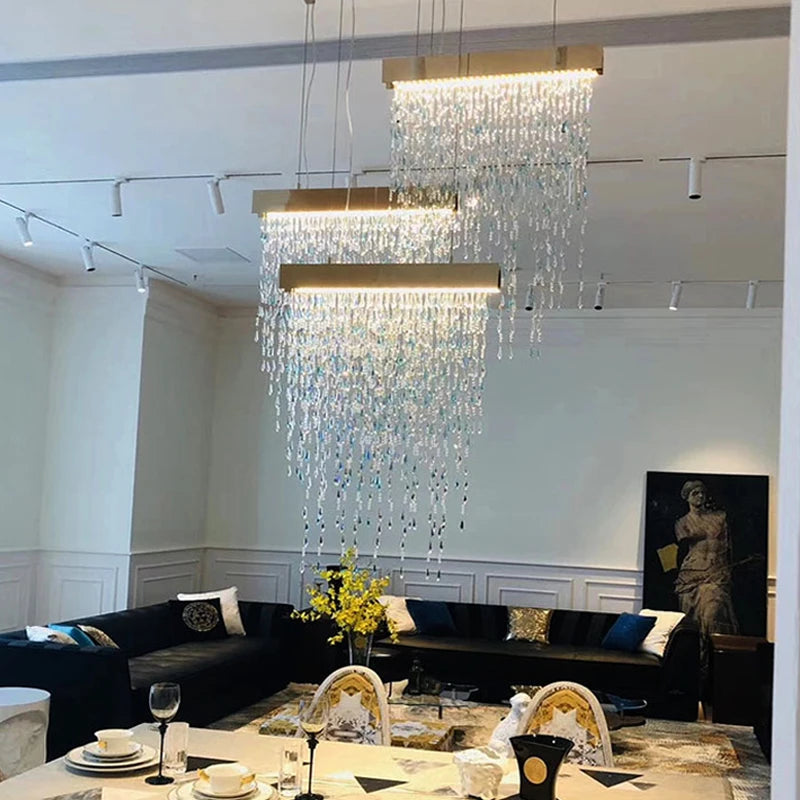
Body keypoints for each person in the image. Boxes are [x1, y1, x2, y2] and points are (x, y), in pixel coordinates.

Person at [673, 480, 739, 639]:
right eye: (695, 493)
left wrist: (727, 569)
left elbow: (728, 546)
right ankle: (699, 655)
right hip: (692, 573)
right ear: (686, 497)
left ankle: (714, 654)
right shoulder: (682, 523)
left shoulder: (719, 517)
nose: (700, 496)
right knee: (693, 618)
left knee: (714, 610)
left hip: (717, 571)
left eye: (702, 492)